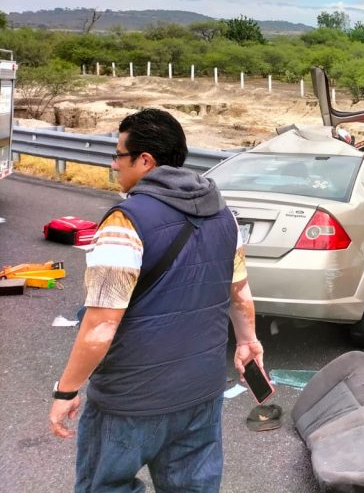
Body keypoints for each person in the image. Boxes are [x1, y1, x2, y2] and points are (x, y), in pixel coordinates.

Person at [49, 108, 264, 493]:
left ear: (145, 160)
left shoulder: (124, 222)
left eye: (119, 155)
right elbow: (240, 293)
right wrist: (248, 342)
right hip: (201, 395)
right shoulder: (225, 215)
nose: (115, 165)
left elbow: (101, 324)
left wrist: (67, 390)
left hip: (130, 401)